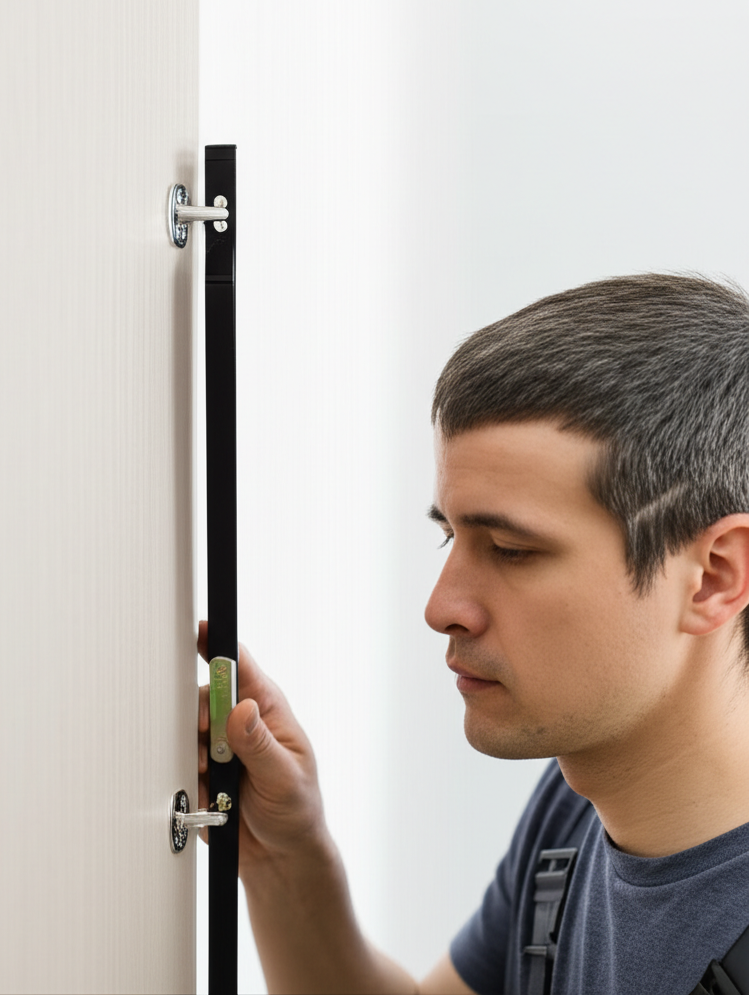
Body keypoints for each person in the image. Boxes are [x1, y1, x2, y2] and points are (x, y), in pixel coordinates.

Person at [197, 273, 749, 994]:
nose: (441, 606)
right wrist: (283, 858)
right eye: (449, 538)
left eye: (512, 551)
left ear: (712, 576)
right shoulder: (572, 810)